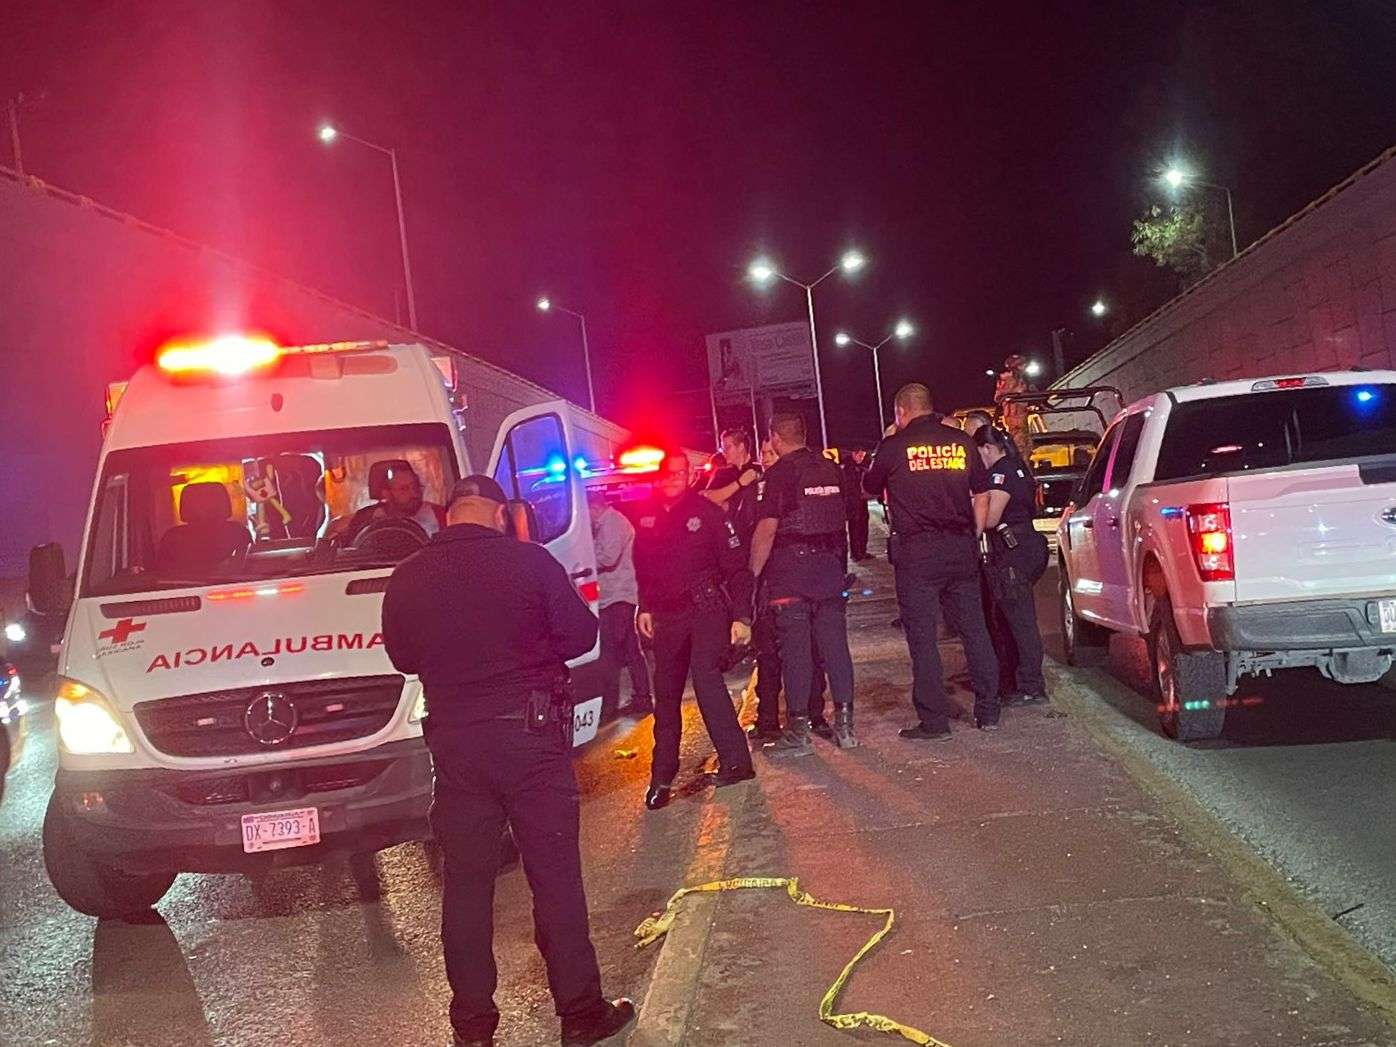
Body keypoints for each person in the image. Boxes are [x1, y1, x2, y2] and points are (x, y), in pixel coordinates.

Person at [381, 475, 634, 1047]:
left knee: (466, 891)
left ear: (448, 514)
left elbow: (402, 657)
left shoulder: (408, 575)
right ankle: (580, 1013)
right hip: (530, 742)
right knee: (555, 880)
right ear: (501, 515)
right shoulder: (530, 562)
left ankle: (473, 1029)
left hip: (457, 750)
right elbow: (581, 636)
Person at [864, 383, 1002, 738]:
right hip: (960, 547)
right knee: (974, 629)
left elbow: (868, 485)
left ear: (901, 412)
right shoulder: (961, 442)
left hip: (917, 553)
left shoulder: (895, 446)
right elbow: (982, 493)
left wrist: (887, 443)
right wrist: (972, 534)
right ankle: (989, 711)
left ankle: (934, 721)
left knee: (923, 638)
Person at [633, 452, 755, 810]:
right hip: (666, 616)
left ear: (689, 476)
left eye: (679, 473)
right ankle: (661, 778)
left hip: (706, 609)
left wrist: (742, 616)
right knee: (666, 694)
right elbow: (644, 568)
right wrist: (644, 606)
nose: (672, 478)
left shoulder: (707, 513)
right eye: (667, 473)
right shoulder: (647, 516)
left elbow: (737, 569)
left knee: (706, 680)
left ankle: (736, 761)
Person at [748, 412, 858, 754]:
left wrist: (752, 576)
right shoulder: (831, 468)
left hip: (791, 572)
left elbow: (767, 530)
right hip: (829, 568)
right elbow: (846, 517)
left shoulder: (779, 473)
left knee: (796, 651)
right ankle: (846, 727)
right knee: (835, 648)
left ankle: (798, 732)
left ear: (775, 438)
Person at [974, 425, 1050, 705]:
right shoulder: (1016, 466)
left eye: (977, 454)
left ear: (987, 448)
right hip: (1025, 546)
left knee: (1021, 622)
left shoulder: (1000, 472)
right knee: (1018, 619)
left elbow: (991, 518)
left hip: (1013, 551)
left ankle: (1031, 686)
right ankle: (1025, 682)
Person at [587, 487, 653, 717]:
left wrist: (583, 559)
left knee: (610, 652)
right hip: (618, 595)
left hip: (618, 596)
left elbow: (608, 557)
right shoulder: (609, 523)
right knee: (631, 650)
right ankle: (642, 698)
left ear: (594, 507)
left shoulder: (612, 523)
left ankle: (610, 704)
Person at [342, 462, 446, 544]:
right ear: (386, 494)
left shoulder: (440, 515)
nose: (414, 494)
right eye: (404, 489)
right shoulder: (364, 519)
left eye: (415, 487)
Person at [841, 448, 872, 561]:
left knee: (863, 524)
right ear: (854, 454)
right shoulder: (848, 467)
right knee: (855, 526)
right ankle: (856, 553)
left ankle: (862, 550)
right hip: (852, 500)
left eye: (863, 455)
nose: (861, 458)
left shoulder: (862, 465)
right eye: (859, 455)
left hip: (861, 499)